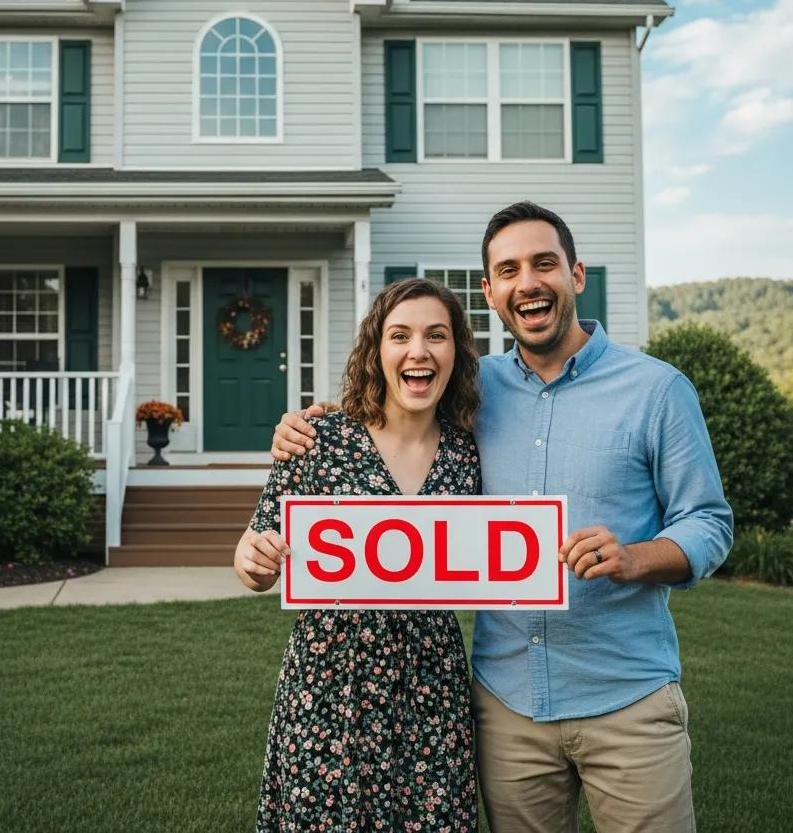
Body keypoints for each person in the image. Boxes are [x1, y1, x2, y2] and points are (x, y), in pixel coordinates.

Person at [271, 202, 733, 833]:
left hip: (625, 698)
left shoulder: (657, 389)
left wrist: (634, 557)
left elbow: (708, 521)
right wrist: (318, 425)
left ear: (576, 274)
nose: (528, 283)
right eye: (508, 270)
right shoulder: (471, 387)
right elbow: (397, 399)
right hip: (508, 705)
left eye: (544, 264)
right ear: (489, 292)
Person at [234, 278, 482, 832]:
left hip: (431, 688)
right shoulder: (318, 439)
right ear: (377, 351)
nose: (418, 351)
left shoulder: (470, 452)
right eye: (400, 336)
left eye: (436, 336)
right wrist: (253, 560)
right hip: (329, 686)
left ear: (456, 353)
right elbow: (255, 548)